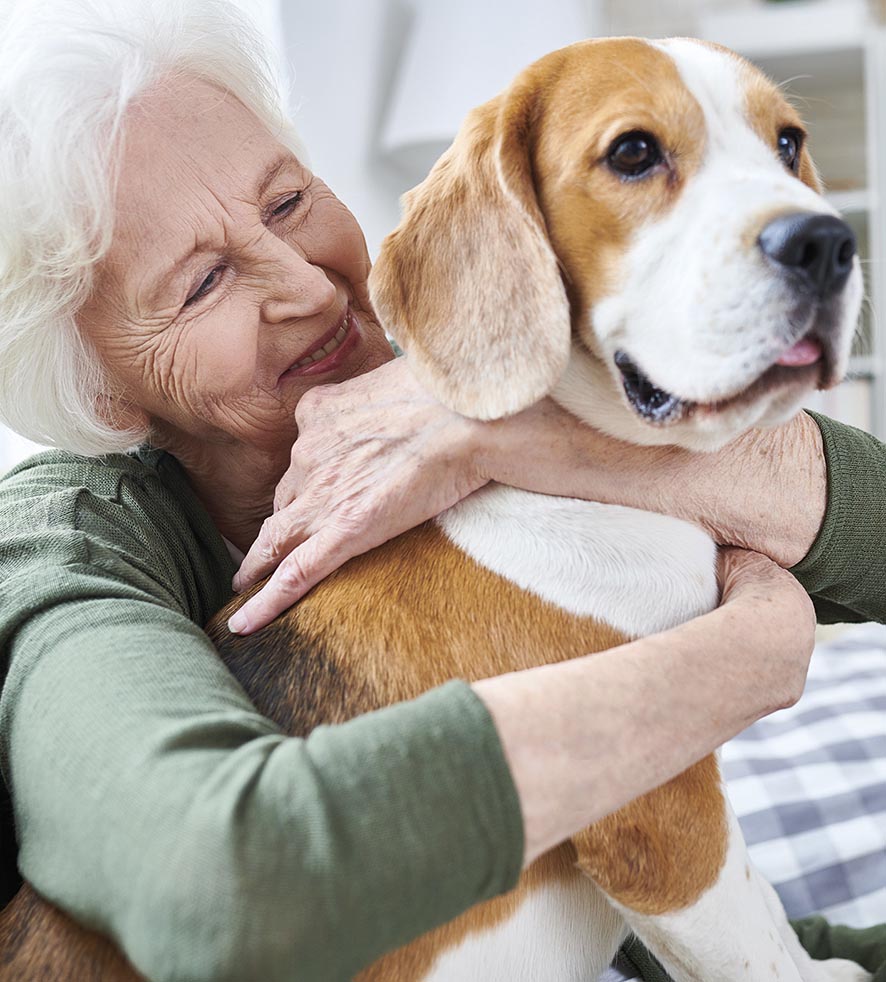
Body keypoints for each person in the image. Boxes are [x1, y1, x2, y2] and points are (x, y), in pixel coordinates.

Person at [0, 2, 883, 981]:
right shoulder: (59, 548)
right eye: (203, 281)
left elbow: (607, 898)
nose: (302, 281)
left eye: (289, 201)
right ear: (102, 392)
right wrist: (746, 657)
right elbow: (217, 880)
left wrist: (509, 433)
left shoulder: (504, 409)